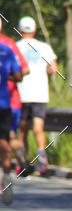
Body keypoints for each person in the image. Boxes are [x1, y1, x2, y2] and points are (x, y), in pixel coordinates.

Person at [16, 16, 58, 175]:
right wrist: (46, 71)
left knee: (22, 131)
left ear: (20, 30)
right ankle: (42, 156)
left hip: (21, 94)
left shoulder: (15, 47)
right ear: (34, 30)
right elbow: (53, 68)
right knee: (38, 128)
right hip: (40, 94)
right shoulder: (44, 47)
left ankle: (23, 163)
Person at [0, 18, 29, 172]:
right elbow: (24, 71)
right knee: (9, 136)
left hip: (9, 100)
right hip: (10, 101)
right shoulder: (9, 45)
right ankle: (20, 162)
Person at [0, 37, 23, 205]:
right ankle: (6, 172)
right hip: (3, 103)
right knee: (4, 139)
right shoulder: (6, 50)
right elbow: (19, 75)